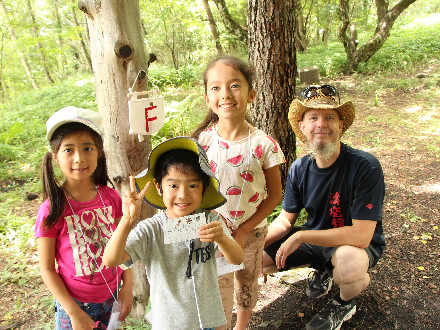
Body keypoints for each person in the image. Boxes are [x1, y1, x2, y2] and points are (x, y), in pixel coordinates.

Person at [262, 85, 386, 330]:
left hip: (351, 245)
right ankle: (324, 270)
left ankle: (343, 303)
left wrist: (301, 236)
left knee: (349, 265)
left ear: (340, 125)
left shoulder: (365, 166)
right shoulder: (299, 168)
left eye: (329, 117)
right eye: (313, 118)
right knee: (253, 258)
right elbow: (286, 220)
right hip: (316, 239)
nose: (321, 124)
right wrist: (254, 241)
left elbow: (361, 235)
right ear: (303, 127)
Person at [103, 136, 244, 330]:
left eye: (193, 185)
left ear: (204, 189)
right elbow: (110, 260)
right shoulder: (150, 230)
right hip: (168, 324)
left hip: (206, 322)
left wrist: (221, 239)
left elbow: (236, 258)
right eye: (173, 185)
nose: (183, 194)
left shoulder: (211, 221)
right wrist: (127, 221)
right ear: (159, 187)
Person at [192, 56, 285, 330]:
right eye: (216, 88)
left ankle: (241, 327)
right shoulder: (202, 142)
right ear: (207, 98)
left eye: (234, 86)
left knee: (246, 281)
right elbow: (192, 189)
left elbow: (275, 196)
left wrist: (244, 230)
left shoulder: (264, 144)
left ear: (251, 94)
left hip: (252, 232)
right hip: (213, 234)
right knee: (218, 288)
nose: (226, 95)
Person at [35, 107, 133, 330]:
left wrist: (127, 286)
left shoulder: (110, 197)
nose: (79, 158)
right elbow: (47, 269)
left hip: (112, 296)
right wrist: (73, 312)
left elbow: (124, 246)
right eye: (69, 150)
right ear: (56, 157)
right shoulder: (52, 209)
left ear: (98, 152)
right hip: (75, 305)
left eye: (87, 148)